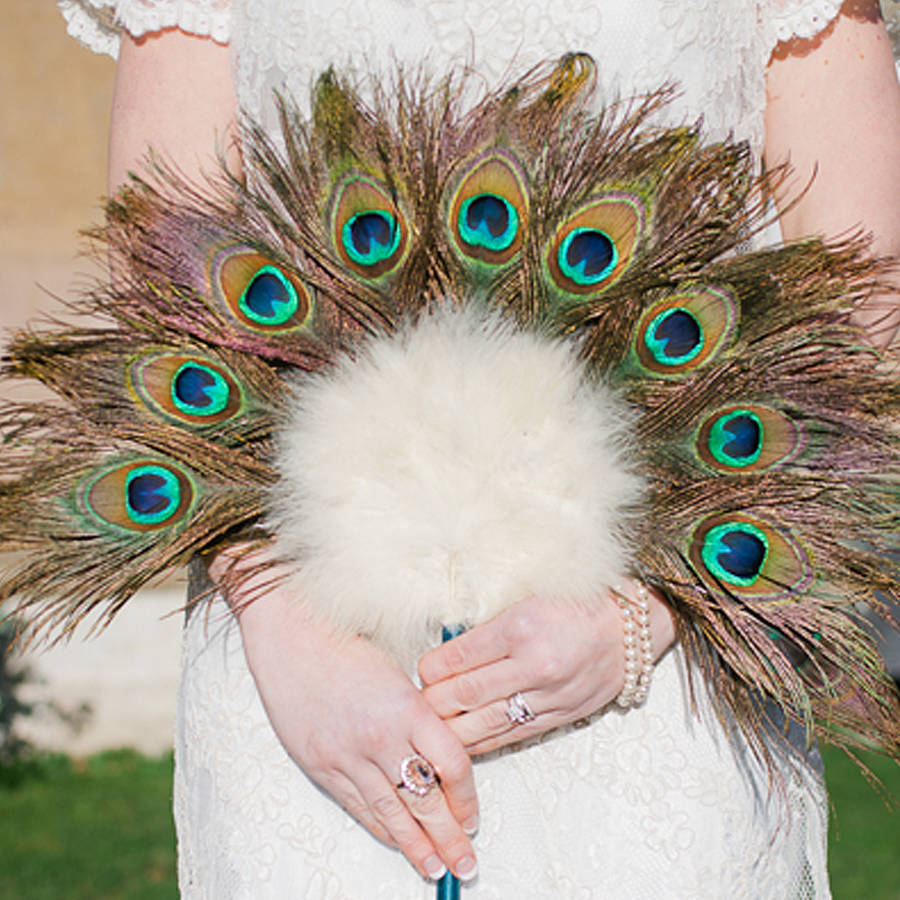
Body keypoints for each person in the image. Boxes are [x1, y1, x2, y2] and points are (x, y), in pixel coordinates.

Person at [57, 0, 900, 896]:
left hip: (661, 675)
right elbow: (166, 301)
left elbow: (862, 326)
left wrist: (643, 617)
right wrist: (287, 629)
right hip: (308, 675)